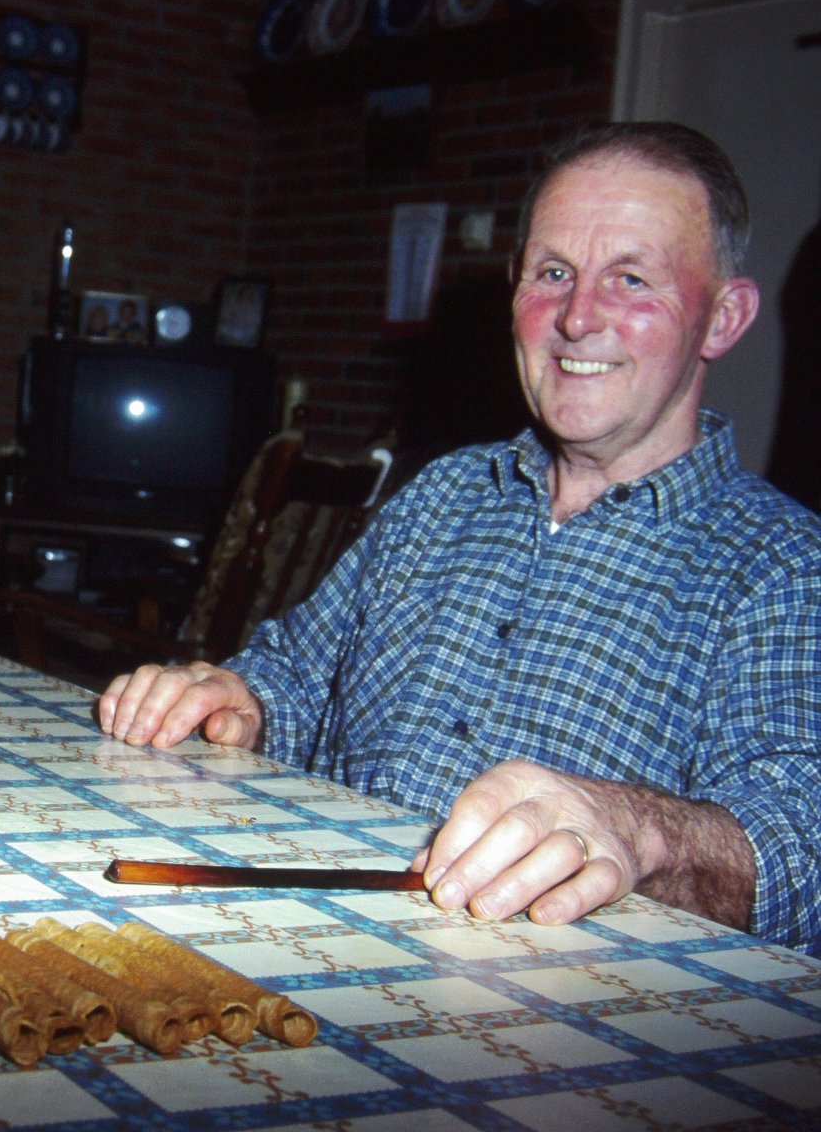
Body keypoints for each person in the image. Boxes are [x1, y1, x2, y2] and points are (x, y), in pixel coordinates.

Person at [98, 122, 821, 956]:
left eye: (631, 279)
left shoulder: (783, 567)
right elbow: (299, 675)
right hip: (311, 937)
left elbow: (802, 846)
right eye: (553, 273)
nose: (578, 317)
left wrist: (638, 830)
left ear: (723, 318)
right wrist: (238, 702)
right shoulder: (444, 493)